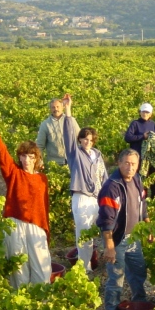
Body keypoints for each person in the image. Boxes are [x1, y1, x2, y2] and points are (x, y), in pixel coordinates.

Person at [0, 107, 51, 288]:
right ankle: (20, 305)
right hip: (15, 223)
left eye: (30, 156)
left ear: (36, 159)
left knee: (42, 268)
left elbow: (44, 206)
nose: (26, 159)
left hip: (36, 225)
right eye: (23, 156)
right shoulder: (13, 173)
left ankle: (41, 305)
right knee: (18, 268)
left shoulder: (42, 179)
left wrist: (46, 228)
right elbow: (1, 151)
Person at [97, 148, 152, 310]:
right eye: (127, 163)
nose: (130, 167)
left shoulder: (137, 180)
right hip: (117, 238)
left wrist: (148, 228)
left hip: (133, 237)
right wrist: (110, 246)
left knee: (138, 271)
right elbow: (107, 221)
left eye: (134, 164)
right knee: (116, 278)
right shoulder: (111, 187)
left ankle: (139, 302)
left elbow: (142, 206)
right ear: (119, 163)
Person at [62, 93, 108, 272]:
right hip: (82, 198)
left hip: (98, 197)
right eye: (84, 139)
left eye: (90, 139)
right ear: (80, 139)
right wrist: (68, 110)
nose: (88, 142)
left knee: (106, 228)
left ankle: (110, 259)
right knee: (84, 234)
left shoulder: (97, 154)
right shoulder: (75, 153)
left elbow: (104, 176)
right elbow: (67, 135)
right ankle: (85, 267)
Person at [36, 98, 79, 166]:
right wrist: (39, 161)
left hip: (74, 160)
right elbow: (39, 145)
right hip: (56, 163)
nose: (55, 109)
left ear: (62, 107)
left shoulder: (71, 120)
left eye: (57, 107)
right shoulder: (45, 124)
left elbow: (80, 137)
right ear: (50, 109)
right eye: (53, 107)